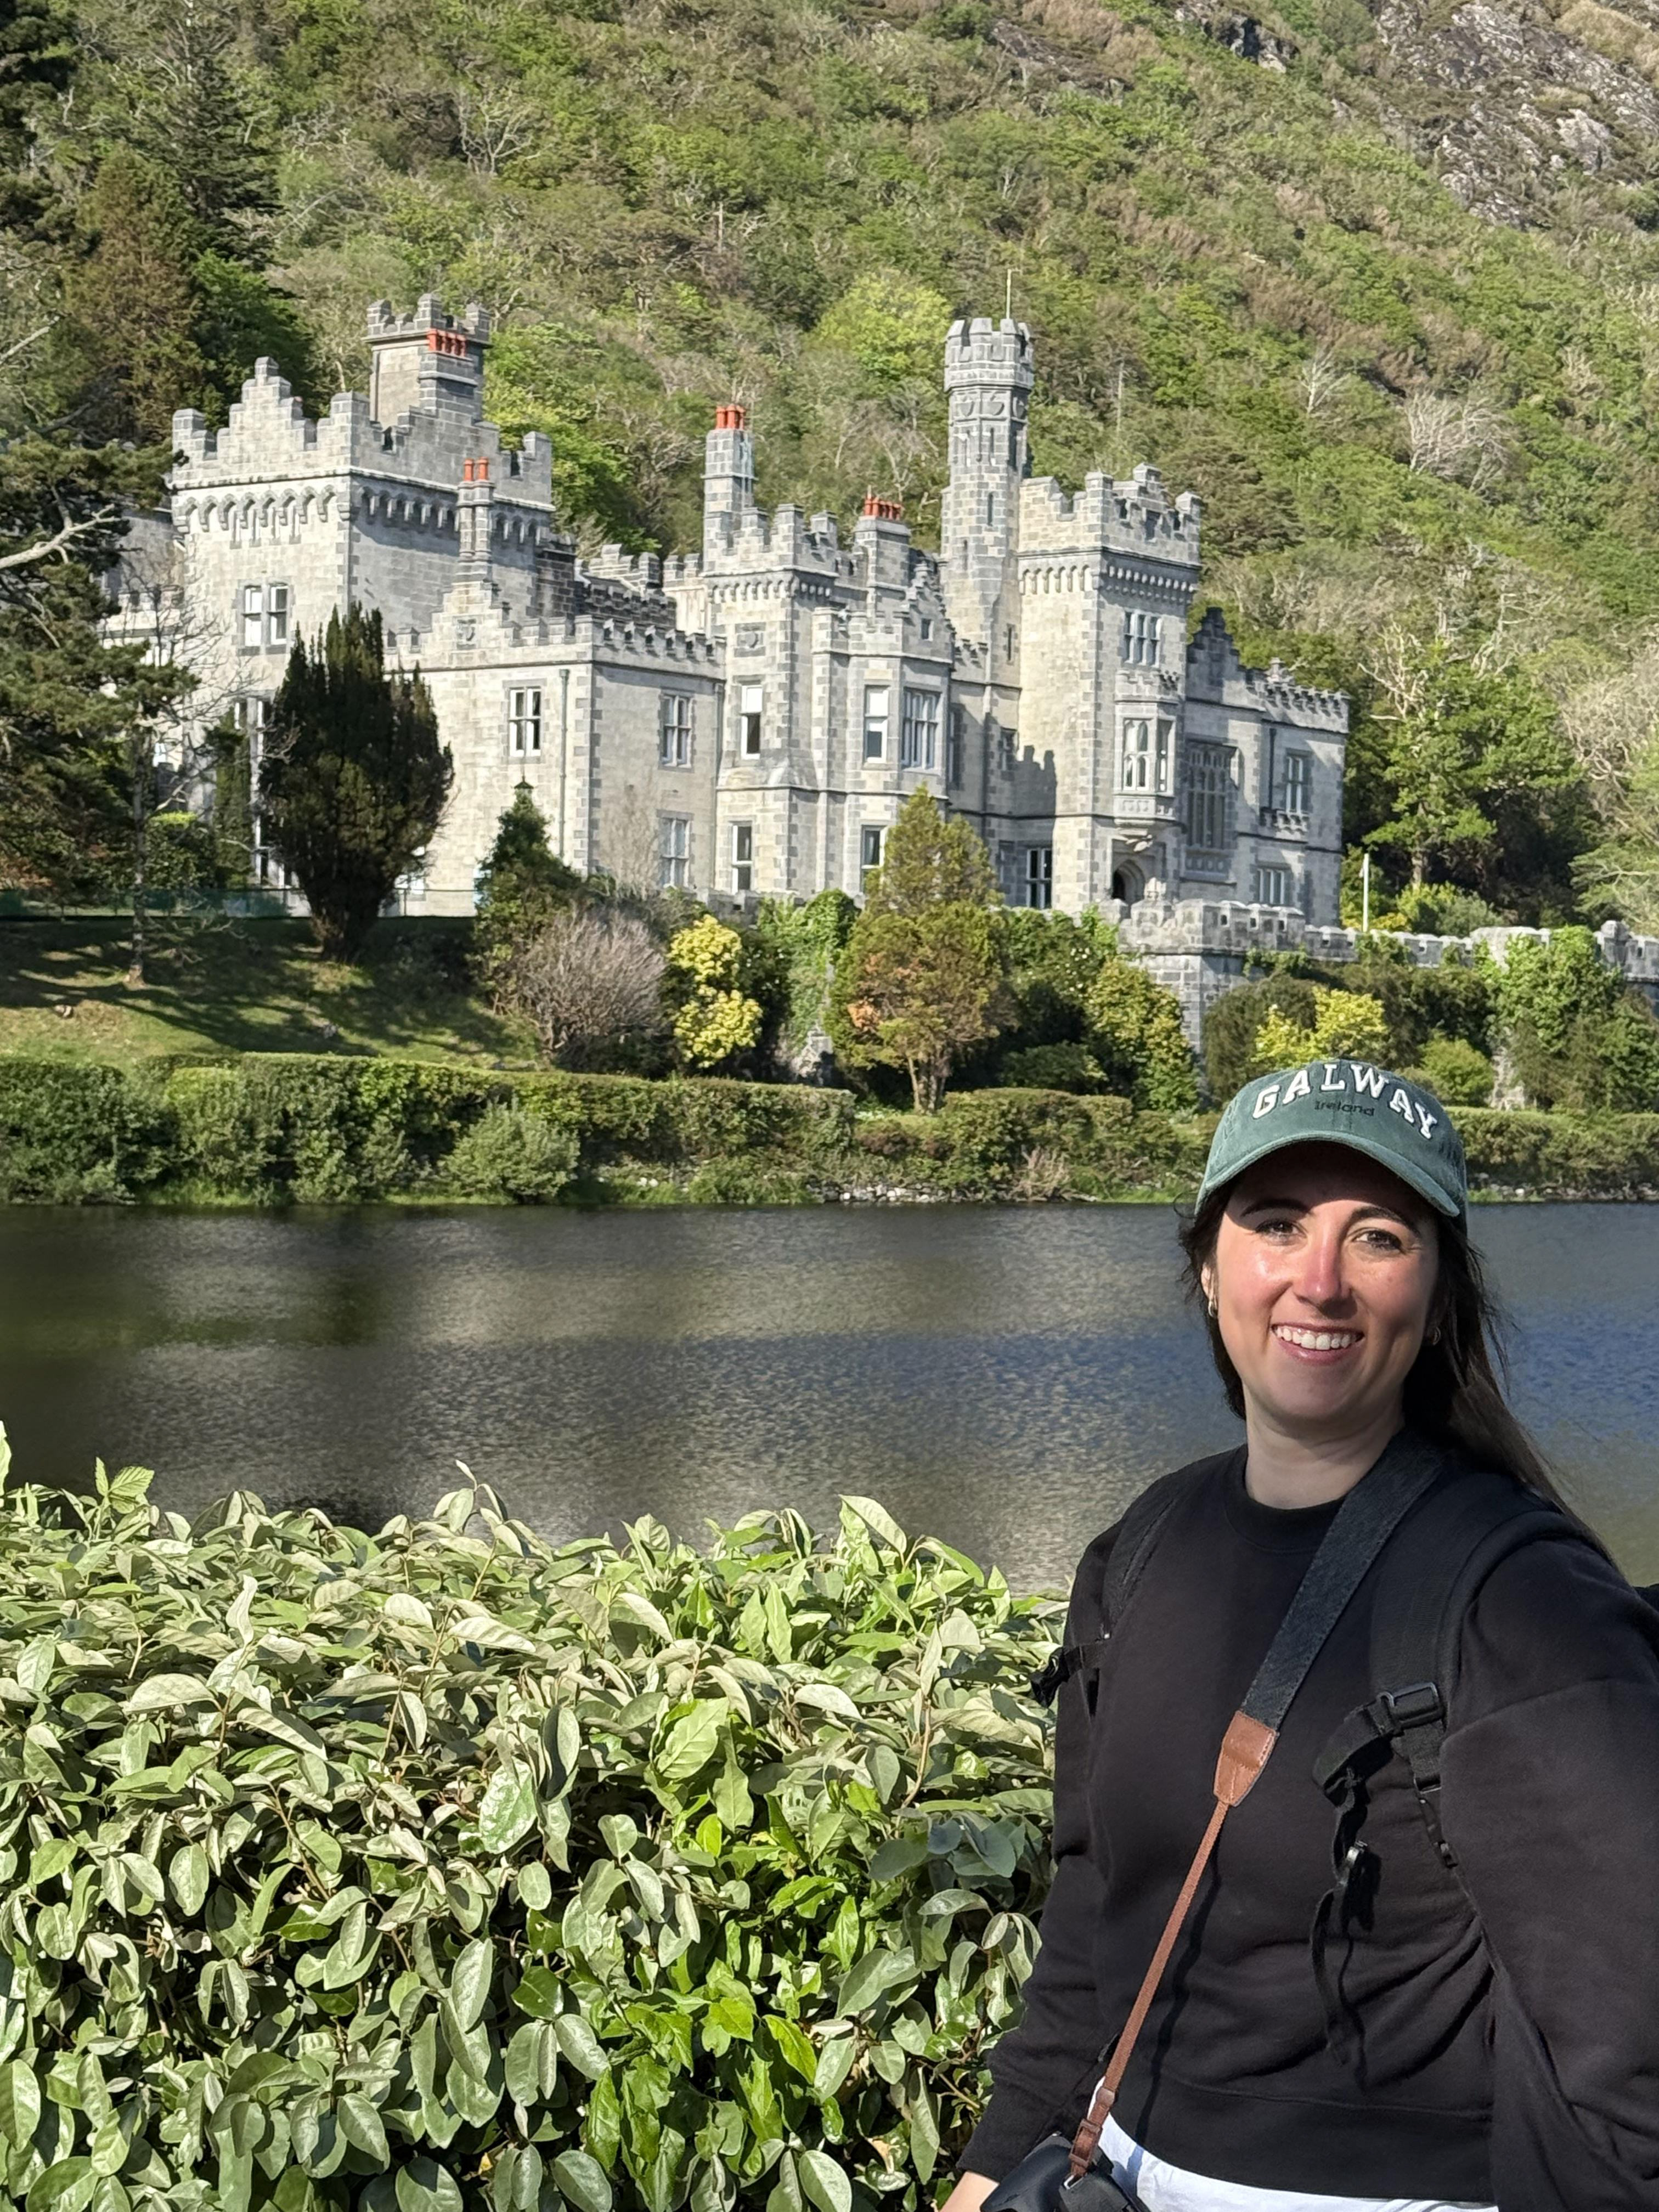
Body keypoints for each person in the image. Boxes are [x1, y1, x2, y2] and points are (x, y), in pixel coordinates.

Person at [943, 1060, 1659, 2212]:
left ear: (1437, 1301)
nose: (1318, 1282)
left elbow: (1632, 2059)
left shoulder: (1522, 1601)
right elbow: (1093, 1921)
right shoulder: (1139, 1551)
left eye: (1378, 1236)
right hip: (1106, 2179)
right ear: (1209, 1268)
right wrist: (988, 2174)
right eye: (1276, 1224)